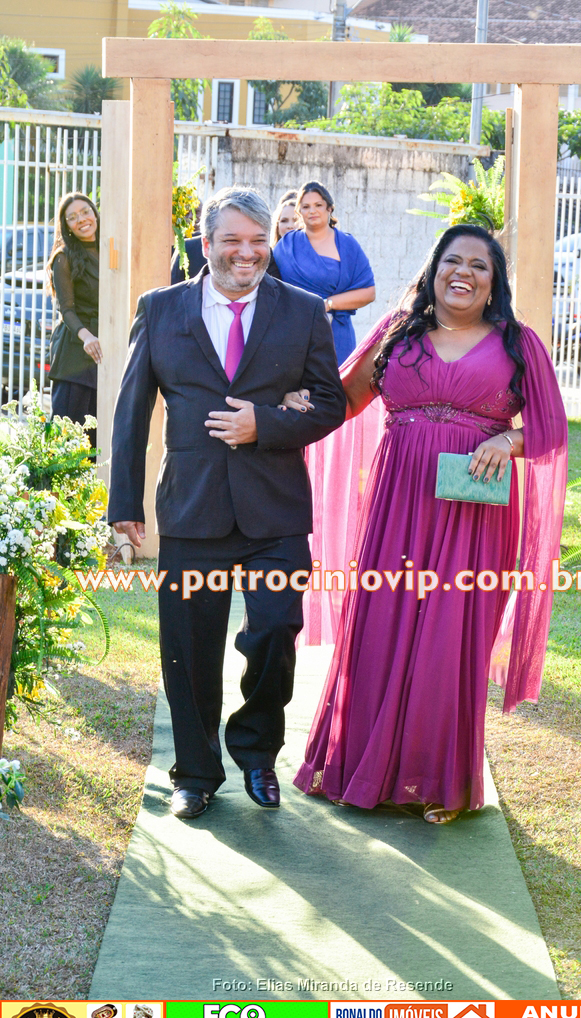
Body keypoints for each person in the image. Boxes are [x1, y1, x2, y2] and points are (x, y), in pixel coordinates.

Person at [291, 224, 568, 824]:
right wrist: (292, 404)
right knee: (381, 624)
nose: (463, 272)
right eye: (452, 261)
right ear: (433, 270)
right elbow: (345, 399)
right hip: (397, 503)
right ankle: (357, 766)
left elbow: (552, 429)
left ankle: (440, 783)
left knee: (450, 636)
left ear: (494, 282)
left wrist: (508, 440)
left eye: (478, 265)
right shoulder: (399, 332)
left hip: (474, 513)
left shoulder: (518, 344)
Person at [108, 187, 346, 820]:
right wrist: (125, 502)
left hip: (276, 509)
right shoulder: (160, 309)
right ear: (207, 242)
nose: (248, 252)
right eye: (233, 240)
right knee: (189, 645)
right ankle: (195, 772)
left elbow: (330, 402)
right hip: (192, 508)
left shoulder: (304, 311)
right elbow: (132, 412)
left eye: (259, 240)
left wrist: (264, 423)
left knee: (275, 630)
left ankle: (257, 752)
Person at [273, 181, 375, 366]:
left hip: (336, 335)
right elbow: (271, 288)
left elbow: (369, 292)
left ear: (329, 208)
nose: (312, 211)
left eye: (318, 205)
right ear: (299, 212)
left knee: (335, 382)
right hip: (295, 333)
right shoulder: (286, 246)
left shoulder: (348, 245)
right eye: (306, 207)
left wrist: (327, 304)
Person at [46, 193, 101, 447]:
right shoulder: (64, 257)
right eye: (72, 217)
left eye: (85, 211)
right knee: (67, 441)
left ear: (95, 213)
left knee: (96, 440)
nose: (81, 219)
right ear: (66, 225)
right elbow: (65, 309)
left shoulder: (110, 249)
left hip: (102, 353)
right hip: (75, 354)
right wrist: (87, 336)